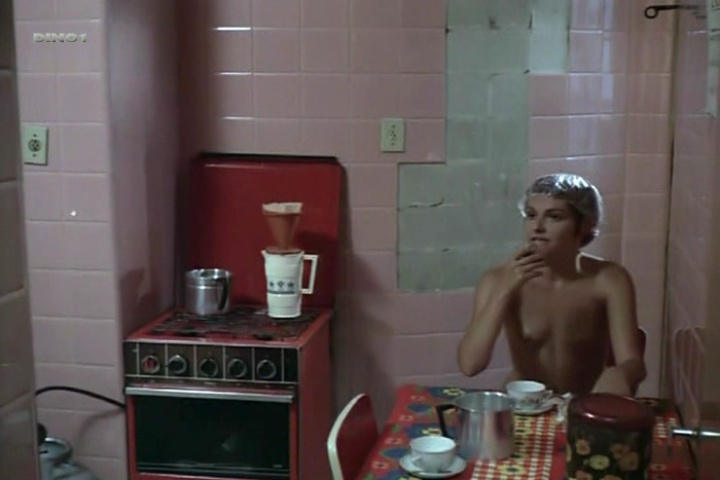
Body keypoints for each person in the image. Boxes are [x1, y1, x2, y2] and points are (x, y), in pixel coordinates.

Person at [457, 173, 646, 396]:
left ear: (585, 224)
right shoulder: (497, 280)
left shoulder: (609, 280)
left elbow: (633, 362)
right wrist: (503, 292)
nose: (537, 227)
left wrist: (621, 374)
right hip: (527, 404)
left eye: (554, 217)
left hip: (582, 403)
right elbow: (470, 365)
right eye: (531, 215)